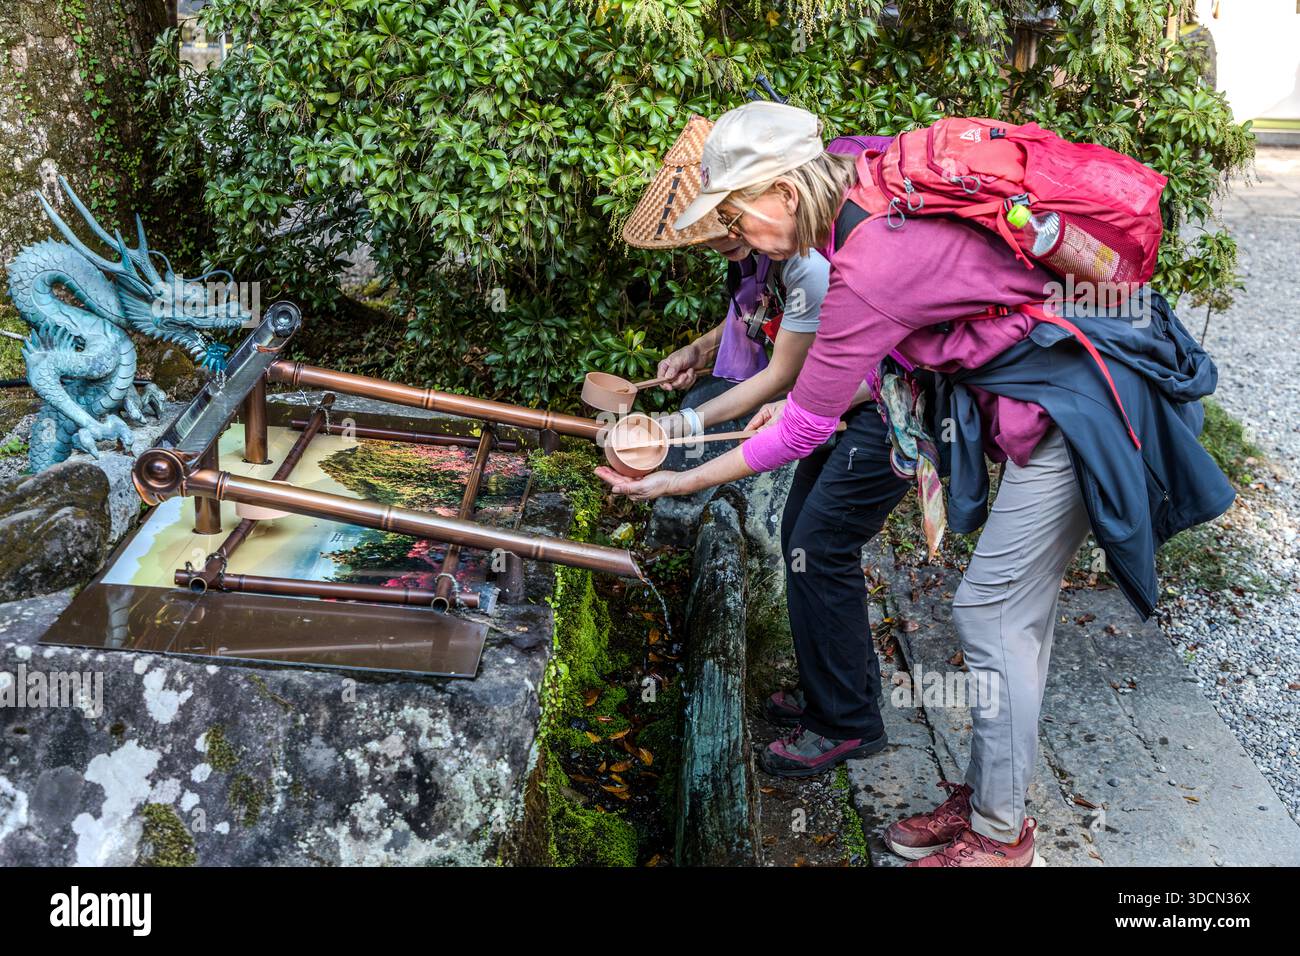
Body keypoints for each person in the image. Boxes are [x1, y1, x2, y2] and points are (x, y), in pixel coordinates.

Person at [598, 101, 1232, 867]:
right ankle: (992, 796)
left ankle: (999, 836)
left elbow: (798, 426)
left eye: (734, 214)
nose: (732, 235)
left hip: (1084, 405)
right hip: (1067, 389)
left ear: (783, 196)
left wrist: (675, 481)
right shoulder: (869, 181)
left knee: (991, 614)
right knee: (1012, 619)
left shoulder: (867, 271)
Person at [620, 115, 913, 777]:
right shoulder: (790, 248)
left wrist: (676, 462)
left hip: (889, 415)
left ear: (769, 198)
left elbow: (806, 391)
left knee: (821, 544)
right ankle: (838, 695)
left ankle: (847, 724)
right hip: (860, 400)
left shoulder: (814, 259)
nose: (728, 241)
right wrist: (710, 364)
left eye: (730, 224)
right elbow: (808, 378)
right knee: (805, 540)